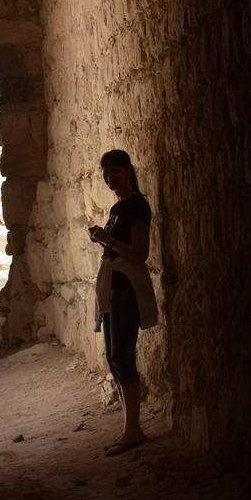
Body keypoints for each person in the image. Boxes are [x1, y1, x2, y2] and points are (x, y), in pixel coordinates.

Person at [87, 149, 158, 456]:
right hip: (114, 289)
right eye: (105, 172)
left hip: (126, 290)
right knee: (114, 359)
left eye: (115, 170)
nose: (109, 177)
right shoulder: (118, 207)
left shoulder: (137, 207)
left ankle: (133, 430)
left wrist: (109, 240)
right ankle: (130, 428)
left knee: (122, 357)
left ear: (129, 170)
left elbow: (139, 253)